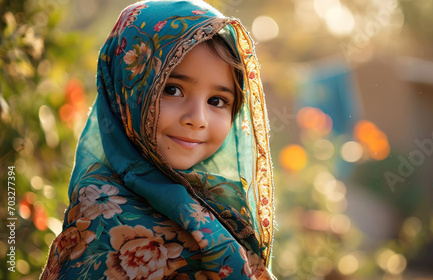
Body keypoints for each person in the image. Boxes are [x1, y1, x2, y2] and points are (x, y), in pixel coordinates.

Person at [40, 0, 275, 279]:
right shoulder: (99, 229)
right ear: (126, 90)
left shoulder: (225, 208)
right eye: (173, 90)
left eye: (217, 100)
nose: (197, 118)